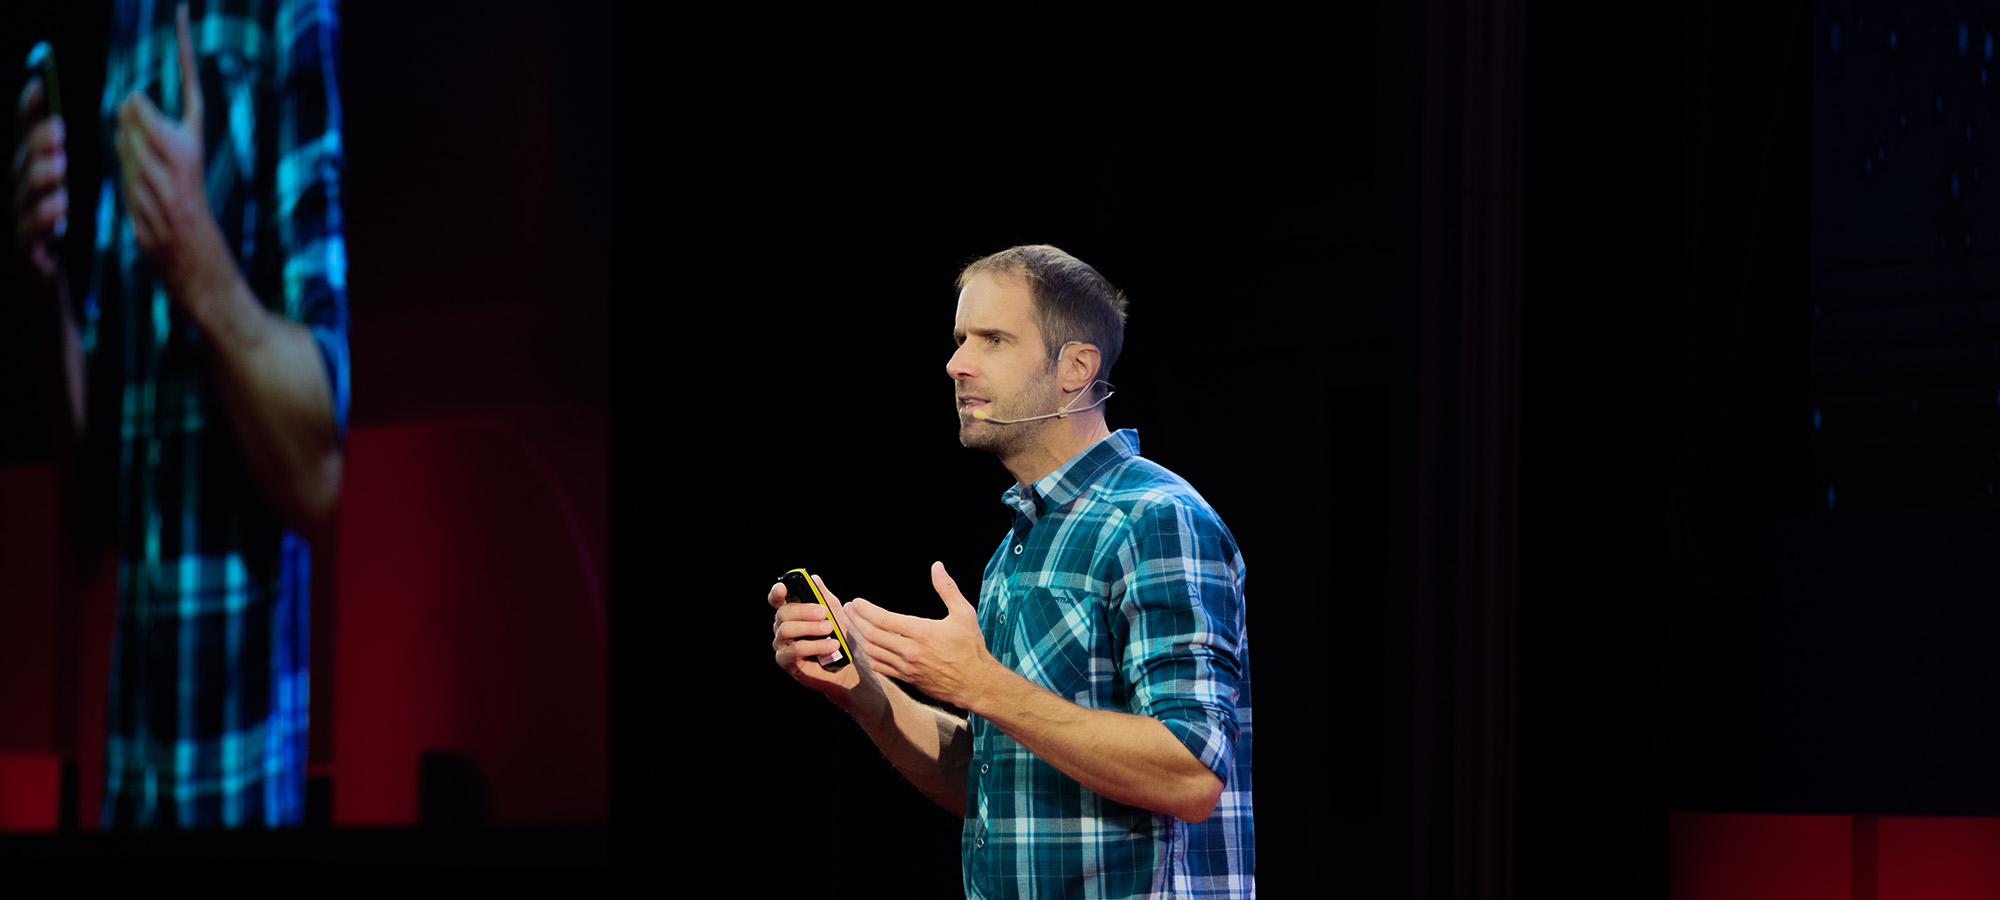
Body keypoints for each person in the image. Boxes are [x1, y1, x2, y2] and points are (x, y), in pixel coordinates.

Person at [769, 245, 1253, 898]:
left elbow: (1191, 775)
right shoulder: (1022, 544)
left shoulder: (1155, 518)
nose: (956, 364)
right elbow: (997, 784)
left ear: (1076, 367)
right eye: (960, 339)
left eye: (993, 339)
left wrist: (979, 683)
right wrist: (866, 693)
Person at [10, 0, 348, 828]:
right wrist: (45, 279)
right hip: (130, 771)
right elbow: (93, 518)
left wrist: (196, 253)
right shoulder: (128, 31)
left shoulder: (290, 16)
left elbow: (319, 476)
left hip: (239, 780)